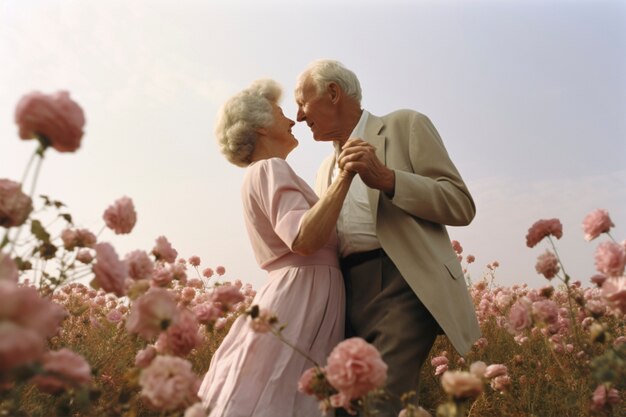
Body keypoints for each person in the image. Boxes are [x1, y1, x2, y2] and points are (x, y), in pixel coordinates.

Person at [295, 59, 481, 415]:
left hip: (403, 282)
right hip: (345, 294)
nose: (300, 117)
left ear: (333, 93)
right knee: (343, 405)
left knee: (382, 400)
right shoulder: (324, 170)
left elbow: (460, 204)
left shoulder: (405, 125)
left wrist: (388, 178)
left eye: (302, 102)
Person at [198, 79, 354, 417]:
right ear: (260, 126)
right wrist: (344, 177)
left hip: (297, 292)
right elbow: (303, 238)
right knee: (283, 395)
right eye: (281, 113)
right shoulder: (271, 168)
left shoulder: (262, 173)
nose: (292, 119)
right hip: (300, 297)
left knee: (274, 391)